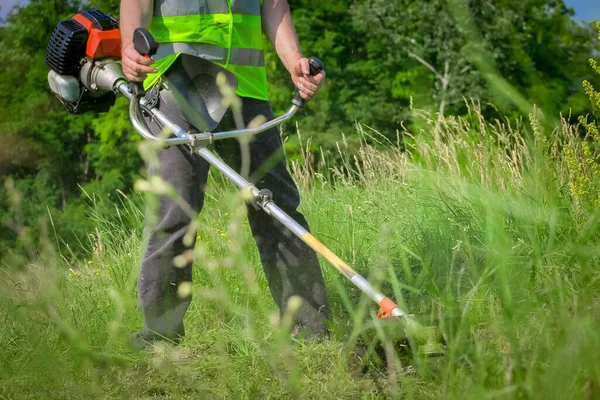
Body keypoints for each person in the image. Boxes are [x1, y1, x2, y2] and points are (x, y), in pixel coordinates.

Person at [119, 0, 331, 348]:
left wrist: (294, 61)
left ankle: (310, 329)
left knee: (276, 206)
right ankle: (159, 335)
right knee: (177, 208)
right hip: (178, 81)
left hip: (246, 88)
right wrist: (129, 46)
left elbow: (273, 5)